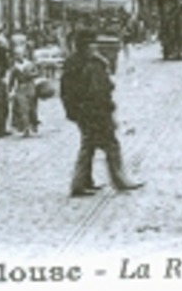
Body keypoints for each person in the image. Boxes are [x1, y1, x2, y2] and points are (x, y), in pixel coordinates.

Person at [61, 27, 143, 196]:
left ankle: (83, 182)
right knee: (110, 145)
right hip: (95, 111)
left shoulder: (74, 63)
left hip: (86, 111)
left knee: (89, 145)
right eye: (91, 44)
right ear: (84, 46)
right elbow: (98, 90)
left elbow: (67, 92)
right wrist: (107, 107)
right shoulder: (92, 64)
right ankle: (119, 180)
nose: (94, 47)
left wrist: (72, 111)